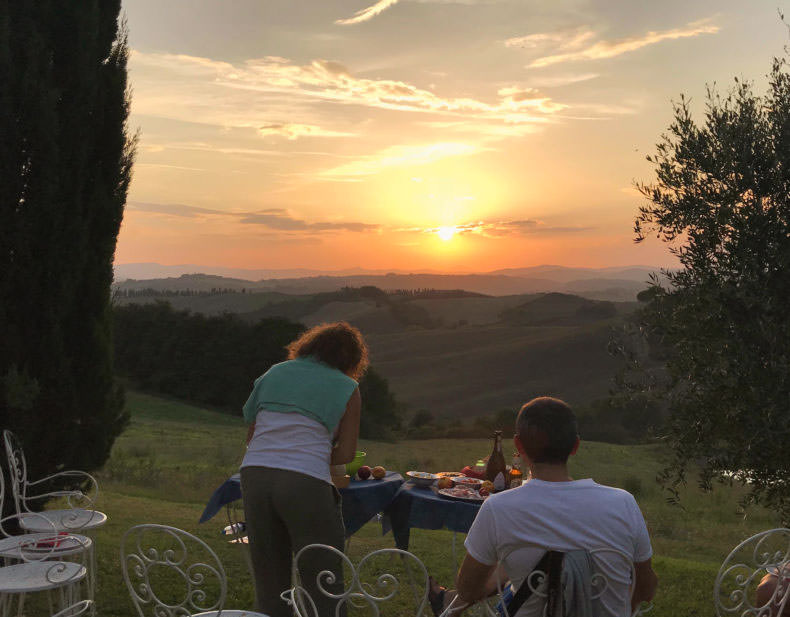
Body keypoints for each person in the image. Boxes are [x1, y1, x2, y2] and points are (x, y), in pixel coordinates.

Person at [429, 397, 658, 617]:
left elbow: (467, 590)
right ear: (575, 446)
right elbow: (646, 588)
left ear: (518, 445)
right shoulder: (624, 503)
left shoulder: (498, 508)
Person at [240, 322, 368, 617]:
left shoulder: (275, 372)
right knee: (322, 574)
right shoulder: (347, 387)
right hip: (304, 482)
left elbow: (253, 435)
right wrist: (313, 455)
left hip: (254, 474)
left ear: (309, 346)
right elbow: (346, 454)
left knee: (269, 574)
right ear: (351, 360)